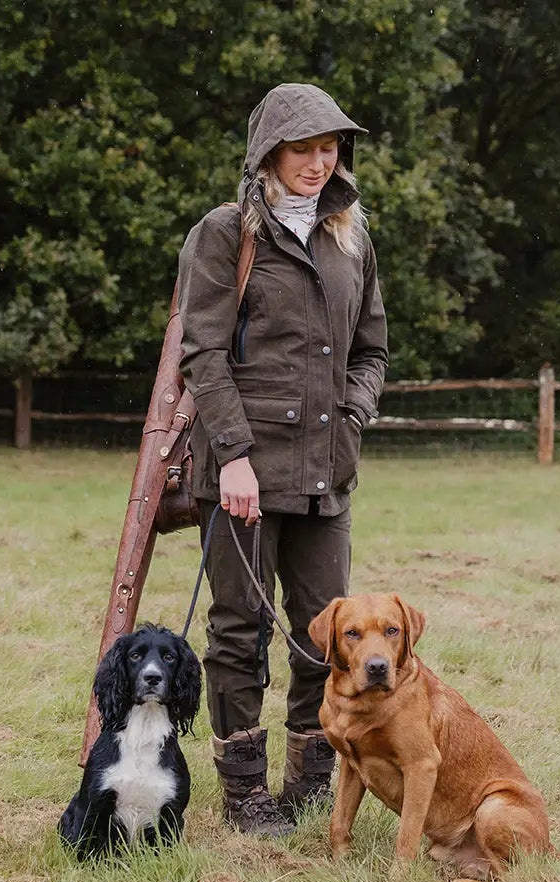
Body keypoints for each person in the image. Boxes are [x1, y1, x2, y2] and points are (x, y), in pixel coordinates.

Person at [176, 83, 387, 836]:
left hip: (328, 472)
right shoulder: (224, 233)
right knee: (239, 630)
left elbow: (371, 350)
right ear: (269, 153)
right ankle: (244, 794)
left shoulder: (351, 237)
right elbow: (202, 352)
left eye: (329, 149)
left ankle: (308, 783)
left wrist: (353, 417)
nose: (318, 162)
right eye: (303, 148)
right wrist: (233, 456)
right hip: (242, 471)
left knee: (325, 635)